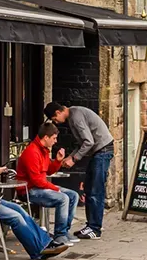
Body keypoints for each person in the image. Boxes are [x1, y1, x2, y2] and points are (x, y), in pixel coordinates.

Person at [46, 102, 113, 240]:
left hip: (102, 151)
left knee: (96, 190)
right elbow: (83, 142)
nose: (55, 122)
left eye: (54, 119)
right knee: (89, 189)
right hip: (99, 151)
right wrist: (70, 156)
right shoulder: (74, 115)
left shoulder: (75, 117)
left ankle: (95, 228)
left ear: (58, 112)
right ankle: (91, 226)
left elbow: (88, 142)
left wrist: (74, 159)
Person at [18, 123, 80, 246]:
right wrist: (55, 189)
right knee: (63, 198)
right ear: (46, 137)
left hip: (40, 186)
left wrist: (57, 161)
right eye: (54, 138)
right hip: (29, 190)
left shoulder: (44, 150)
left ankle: (64, 231)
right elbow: (36, 180)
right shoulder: (32, 152)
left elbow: (49, 171)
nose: (55, 141)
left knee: (73, 195)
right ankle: (59, 235)